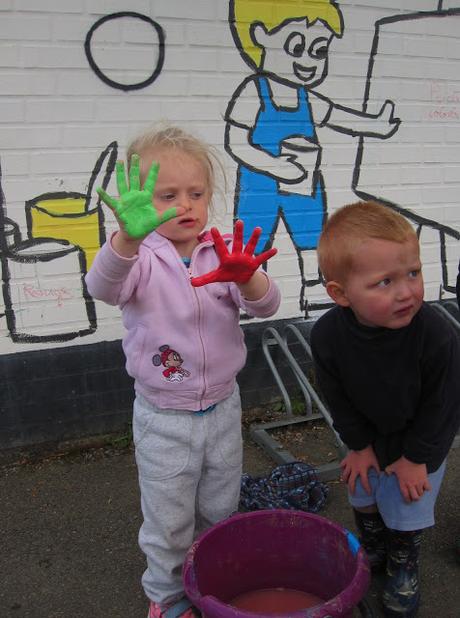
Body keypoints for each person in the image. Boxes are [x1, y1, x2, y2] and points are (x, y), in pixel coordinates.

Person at [85, 124, 281, 618]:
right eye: (167, 195)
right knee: (169, 519)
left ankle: (213, 578)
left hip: (222, 406)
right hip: (163, 417)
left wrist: (250, 278)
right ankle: (167, 597)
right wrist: (127, 238)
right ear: (139, 201)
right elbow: (101, 287)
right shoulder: (139, 259)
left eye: (196, 193)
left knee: (221, 506)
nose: (185, 205)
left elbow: (267, 306)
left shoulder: (222, 250)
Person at [310, 201, 460, 617]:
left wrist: (417, 459)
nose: (406, 291)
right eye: (385, 282)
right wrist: (357, 445)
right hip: (366, 435)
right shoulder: (327, 336)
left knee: (407, 506)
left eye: (413, 273)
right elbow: (335, 393)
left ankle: (404, 565)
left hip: (420, 440)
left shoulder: (437, 336)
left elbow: (444, 406)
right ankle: (372, 549)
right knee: (363, 491)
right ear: (341, 294)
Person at [225, 0, 399, 312]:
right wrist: (275, 166)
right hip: (259, 185)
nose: (308, 59)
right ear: (262, 35)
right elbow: (236, 142)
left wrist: (375, 126)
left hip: (303, 180)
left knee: (310, 233)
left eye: (318, 50)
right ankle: (248, 292)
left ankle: (313, 285)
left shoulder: (306, 98)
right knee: (254, 236)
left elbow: (337, 116)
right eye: (296, 46)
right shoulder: (256, 90)